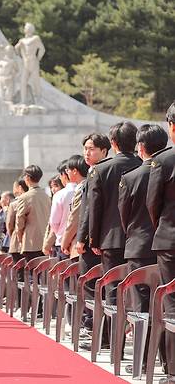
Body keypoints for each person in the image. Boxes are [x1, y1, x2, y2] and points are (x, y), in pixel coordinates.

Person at [118, 124, 169, 374]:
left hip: (138, 247)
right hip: (166, 244)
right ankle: (166, 360)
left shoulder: (130, 178)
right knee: (166, 304)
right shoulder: (169, 166)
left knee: (142, 308)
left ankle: (143, 362)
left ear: (141, 146)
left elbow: (124, 216)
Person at [88, 122, 142, 306]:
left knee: (112, 289)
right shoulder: (144, 166)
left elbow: (95, 208)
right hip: (139, 238)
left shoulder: (101, 169)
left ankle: (114, 333)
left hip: (111, 239)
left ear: (113, 143)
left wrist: (94, 240)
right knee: (139, 289)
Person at [147, 102, 175, 384]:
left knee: (172, 304)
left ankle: (173, 370)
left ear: (171, 125)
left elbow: (152, 204)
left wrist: (162, 228)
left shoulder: (163, 160)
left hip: (170, 241)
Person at [74, 133, 110, 339]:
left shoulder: (96, 172)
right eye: (85, 149)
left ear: (104, 150)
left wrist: (84, 238)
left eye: (91, 149)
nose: (87, 153)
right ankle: (103, 333)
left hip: (94, 241)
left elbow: (89, 210)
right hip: (108, 240)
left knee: (90, 284)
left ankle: (93, 329)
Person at [15, 165, 51, 263]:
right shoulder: (47, 196)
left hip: (31, 242)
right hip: (46, 240)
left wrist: (20, 237)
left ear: (27, 177)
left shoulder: (24, 197)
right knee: (44, 275)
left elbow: (19, 221)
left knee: (31, 275)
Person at [47, 161, 76, 260]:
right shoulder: (83, 189)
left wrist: (59, 233)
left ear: (64, 174)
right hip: (80, 242)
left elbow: (54, 222)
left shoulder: (60, 195)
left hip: (62, 242)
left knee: (65, 273)